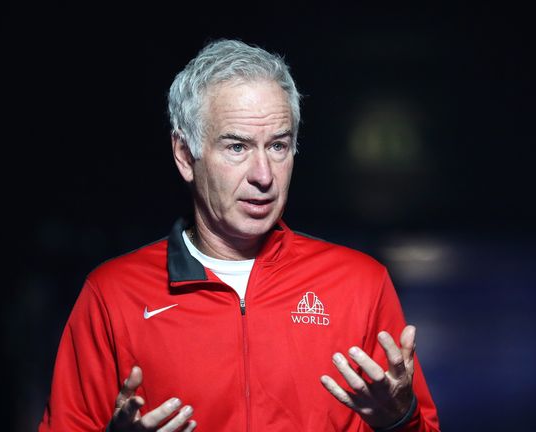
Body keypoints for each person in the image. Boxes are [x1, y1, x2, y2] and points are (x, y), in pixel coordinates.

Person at [39, 39, 440, 432]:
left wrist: (399, 422)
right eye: (237, 147)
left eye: (278, 146)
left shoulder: (360, 284)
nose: (263, 175)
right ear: (185, 155)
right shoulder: (113, 296)